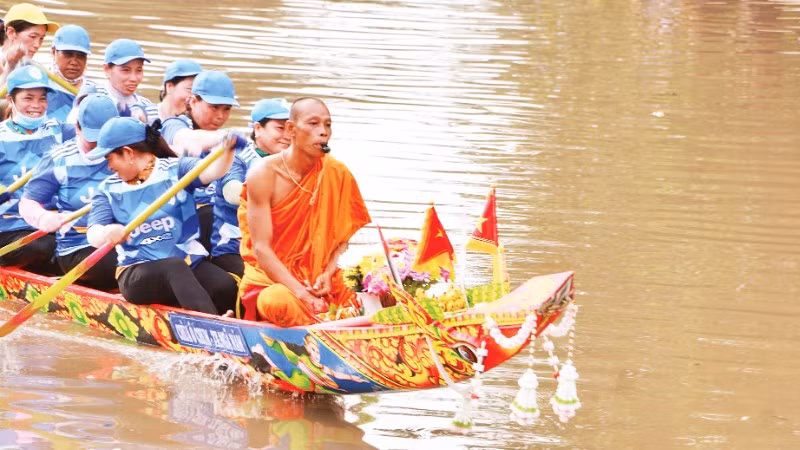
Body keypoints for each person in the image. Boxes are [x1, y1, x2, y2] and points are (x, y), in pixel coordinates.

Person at [237, 97, 371, 326]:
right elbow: (261, 249)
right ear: (291, 129)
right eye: (313, 124)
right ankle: (330, 330)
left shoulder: (337, 173)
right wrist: (302, 293)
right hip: (274, 283)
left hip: (322, 280)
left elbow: (342, 241)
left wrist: (328, 274)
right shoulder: (264, 174)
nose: (323, 132)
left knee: (376, 286)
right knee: (276, 301)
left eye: (327, 125)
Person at [85, 117, 237, 315]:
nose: (108, 166)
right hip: (138, 271)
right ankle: (212, 326)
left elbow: (213, 171)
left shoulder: (177, 169)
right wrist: (108, 232)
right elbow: (93, 233)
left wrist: (228, 150)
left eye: (109, 158)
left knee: (225, 285)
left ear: (128, 153)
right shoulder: (107, 189)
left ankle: (221, 317)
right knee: (174, 268)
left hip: (189, 263)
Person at [20, 94, 119, 290]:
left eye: (105, 139)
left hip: (124, 241)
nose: (99, 147)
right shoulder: (59, 159)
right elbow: (27, 203)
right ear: (77, 128)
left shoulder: (127, 152)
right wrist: (42, 217)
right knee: (122, 263)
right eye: (93, 139)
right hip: (78, 248)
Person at [0, 65, 74, 272]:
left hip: (53, 222)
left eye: (42, 98)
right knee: (45, 246)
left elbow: (93, 133)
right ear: (10, 98)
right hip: (11, 227)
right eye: (28, 98)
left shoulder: (58, 131)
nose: (37, 105)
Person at [161, 70, 242, 251]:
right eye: (214, 107)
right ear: (193, 101)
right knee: (210, 213)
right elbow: (187, 140)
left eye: (226, 109)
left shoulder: (226, 141)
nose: (221, 116)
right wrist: (225, 137)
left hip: (210, 223)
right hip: (173, 221)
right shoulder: (173, 126)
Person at [210, 98, 291, 278]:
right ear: (257, 129)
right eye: (280, 128)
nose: (287, 135)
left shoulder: (293, 161)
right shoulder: (237, 157)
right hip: (234, 247)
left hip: (276, 248)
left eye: (291, 128)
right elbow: (232, 194)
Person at [68, 38, 154, 124]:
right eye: (126, 70)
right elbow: (72, 126)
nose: (134, 78)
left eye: (139, 70)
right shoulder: (91, 94)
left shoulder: (147, 106)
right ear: (107, 70)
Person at [0, 3, 59, 85]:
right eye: (33, 36)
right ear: (11, 33)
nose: (37, 45)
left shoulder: (37, 69)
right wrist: (11, 66)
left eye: (41, 38)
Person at [47, 25, 90, 122]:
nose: (74, 62)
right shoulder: (39, 84)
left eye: (81, 56)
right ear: (53, 52)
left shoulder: (95, 92)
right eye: (68, 54)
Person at [154, 58, 201, 123]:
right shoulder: (143, 116)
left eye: (197, 92)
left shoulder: (191, 124)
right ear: (169, 87)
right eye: (190, 89)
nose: (194, 98)